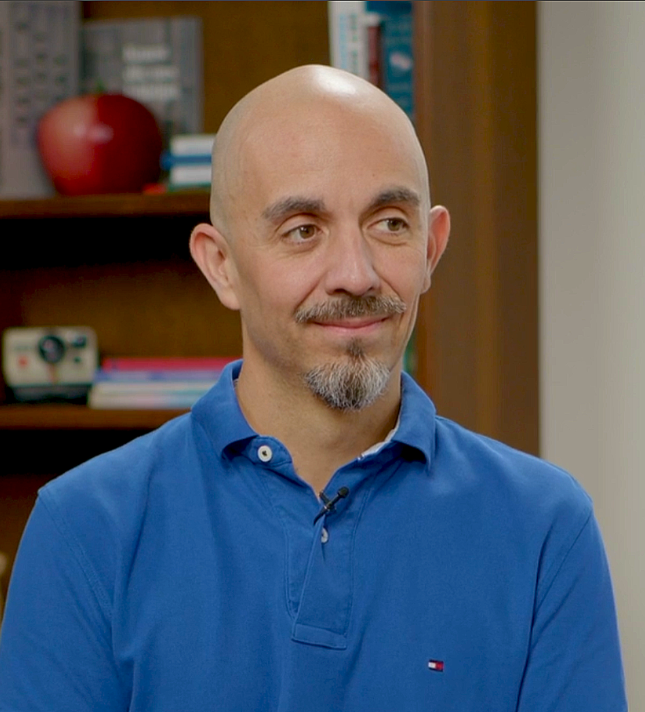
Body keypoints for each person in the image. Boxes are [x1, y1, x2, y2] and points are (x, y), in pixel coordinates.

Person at [0, 65, 626, 711]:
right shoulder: (84, 529)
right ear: (221, 265)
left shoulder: (544, 527)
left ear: (431, 248)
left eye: (389, 223)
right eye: (303, 229)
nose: (355, 274)